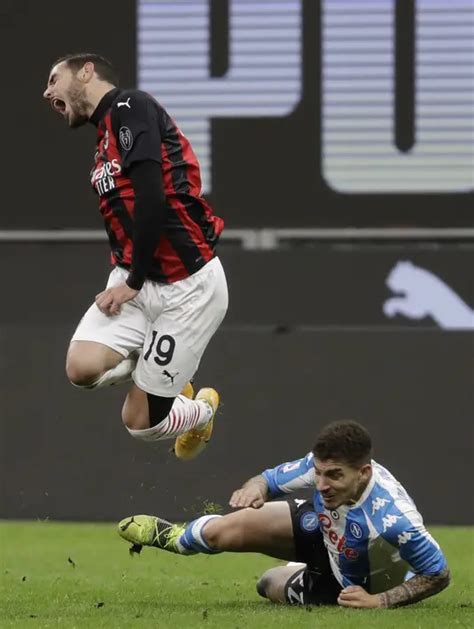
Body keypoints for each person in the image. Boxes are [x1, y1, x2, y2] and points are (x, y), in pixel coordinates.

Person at [43, 53, 228, 459]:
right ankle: (163, 376)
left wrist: (133, 281)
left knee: (140, 425)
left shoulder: (131, 106)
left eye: (55, 78)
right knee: (81, 369)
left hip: (188, 288)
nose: (47, 91)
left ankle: (199, 410)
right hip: (135, 278)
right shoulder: (103, 143)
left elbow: (152, 196)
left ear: (87, 72)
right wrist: (132, 278)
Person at [118, 420, 450, 609]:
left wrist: (380, 601)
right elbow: (268, 479)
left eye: (333, 475)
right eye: (318, 473)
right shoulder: (320, 472)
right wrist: (257, 489)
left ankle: (299, 571)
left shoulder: (394, 521)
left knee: (267, 583)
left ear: (363, 473)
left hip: (350, 581)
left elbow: (438, 574)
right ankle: (175, 537)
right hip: (322, 529)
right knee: (228, 529)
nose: (321, 484)